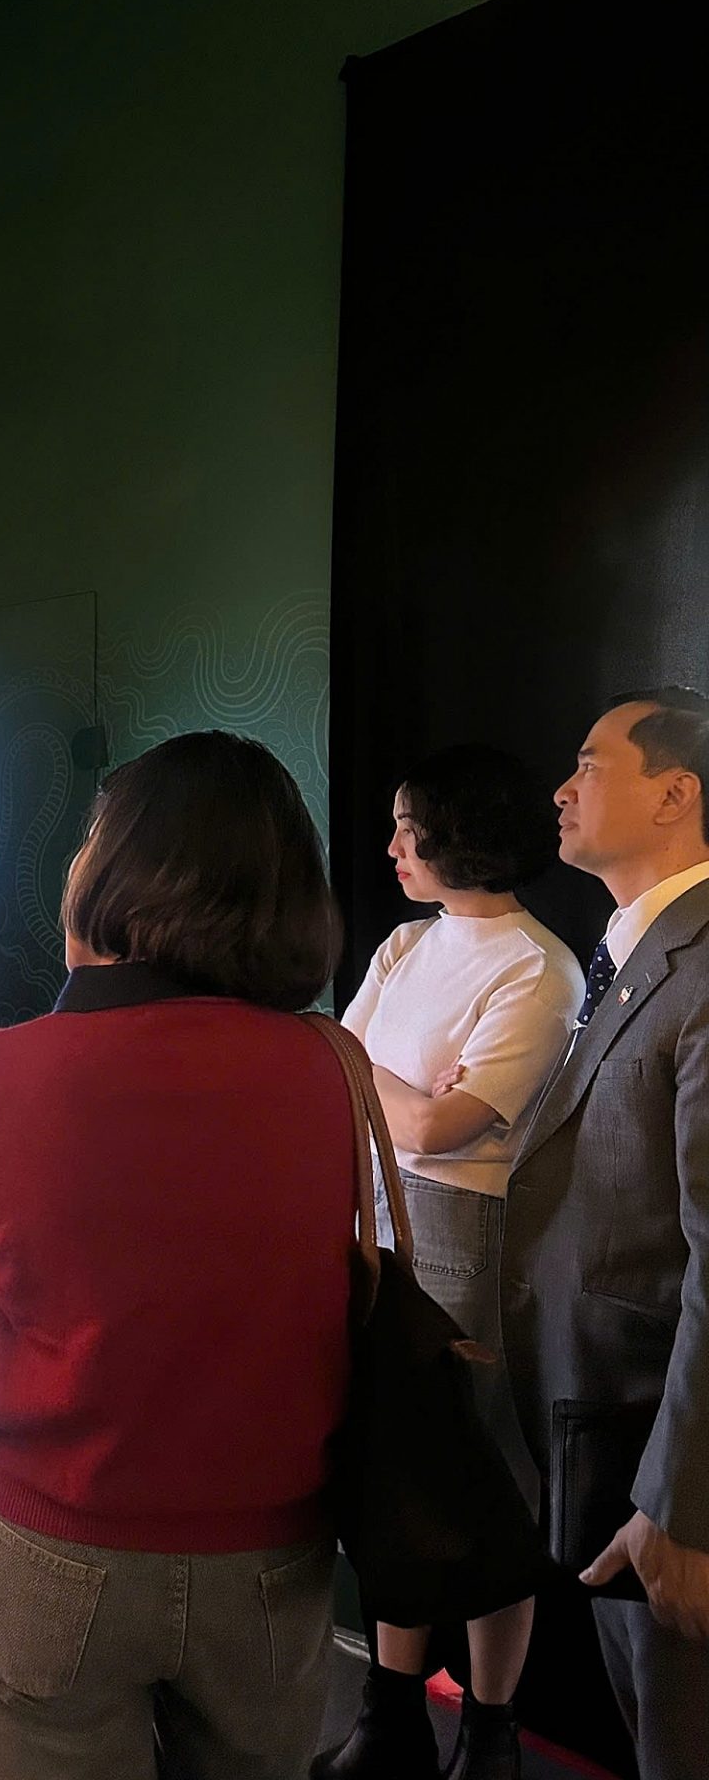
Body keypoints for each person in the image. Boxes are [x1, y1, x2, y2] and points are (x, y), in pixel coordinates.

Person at [0, 731, 355, 1780]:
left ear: (123, 872)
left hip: (52, 1540)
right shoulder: (333, 1066)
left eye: (91, 836)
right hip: (274, 1557)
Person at [317, 745, 581, 1780]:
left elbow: (439, 1125)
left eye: (408, 826)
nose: (391, 845)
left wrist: (365, 1073)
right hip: (375, 1228)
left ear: (458, 834)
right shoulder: (402, 944)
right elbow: (348, 1080)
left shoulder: (539, 968)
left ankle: (491, 1728)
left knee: (480, 1482)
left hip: (469, 1244)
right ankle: (389, 1716)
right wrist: (380, 1086)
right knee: (393, 1474)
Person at [501, 689, 709, 1780]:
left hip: (665, 1465)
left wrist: (683, 1503)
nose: (561, 789)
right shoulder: (634, 952)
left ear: (676, 794)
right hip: (608, 1433)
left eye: (590, 764)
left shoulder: (703, 964)